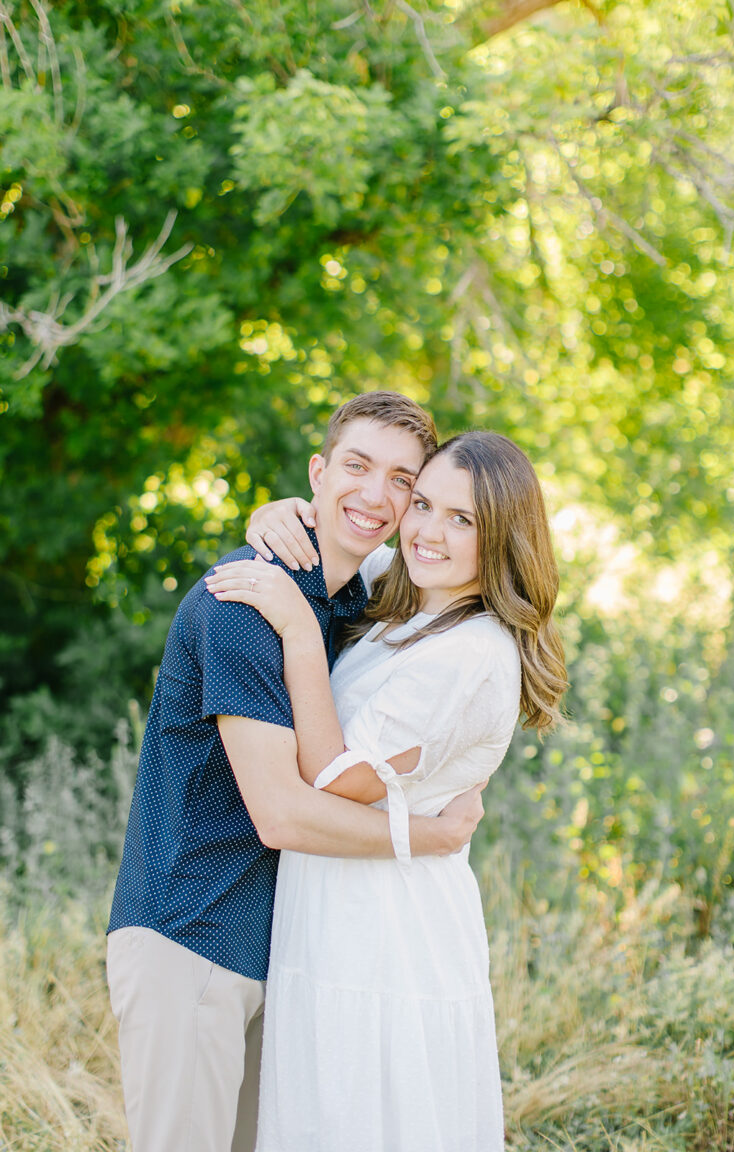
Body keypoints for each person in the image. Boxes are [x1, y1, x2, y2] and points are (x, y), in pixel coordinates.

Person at [105, 392, 488, 1152]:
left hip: (274, 953)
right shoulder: (246, 601)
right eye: (356, 466)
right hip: (189, 937)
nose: (376, 495)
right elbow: (280, 812)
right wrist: (431, 838)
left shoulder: (351, 601)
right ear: (318, 471)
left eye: (402, 481)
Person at [205, 430, 568, 1152]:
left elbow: (339, 781)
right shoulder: (411, 600)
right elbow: (336, 538)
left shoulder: (470, 652)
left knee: (369, 1118)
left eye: (461, 519)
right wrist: (277, 517)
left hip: (387, 934)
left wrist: (300, 635)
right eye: (423, 503)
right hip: (335, 912)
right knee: (322, 1115)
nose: (428, 532)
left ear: (500, 535)